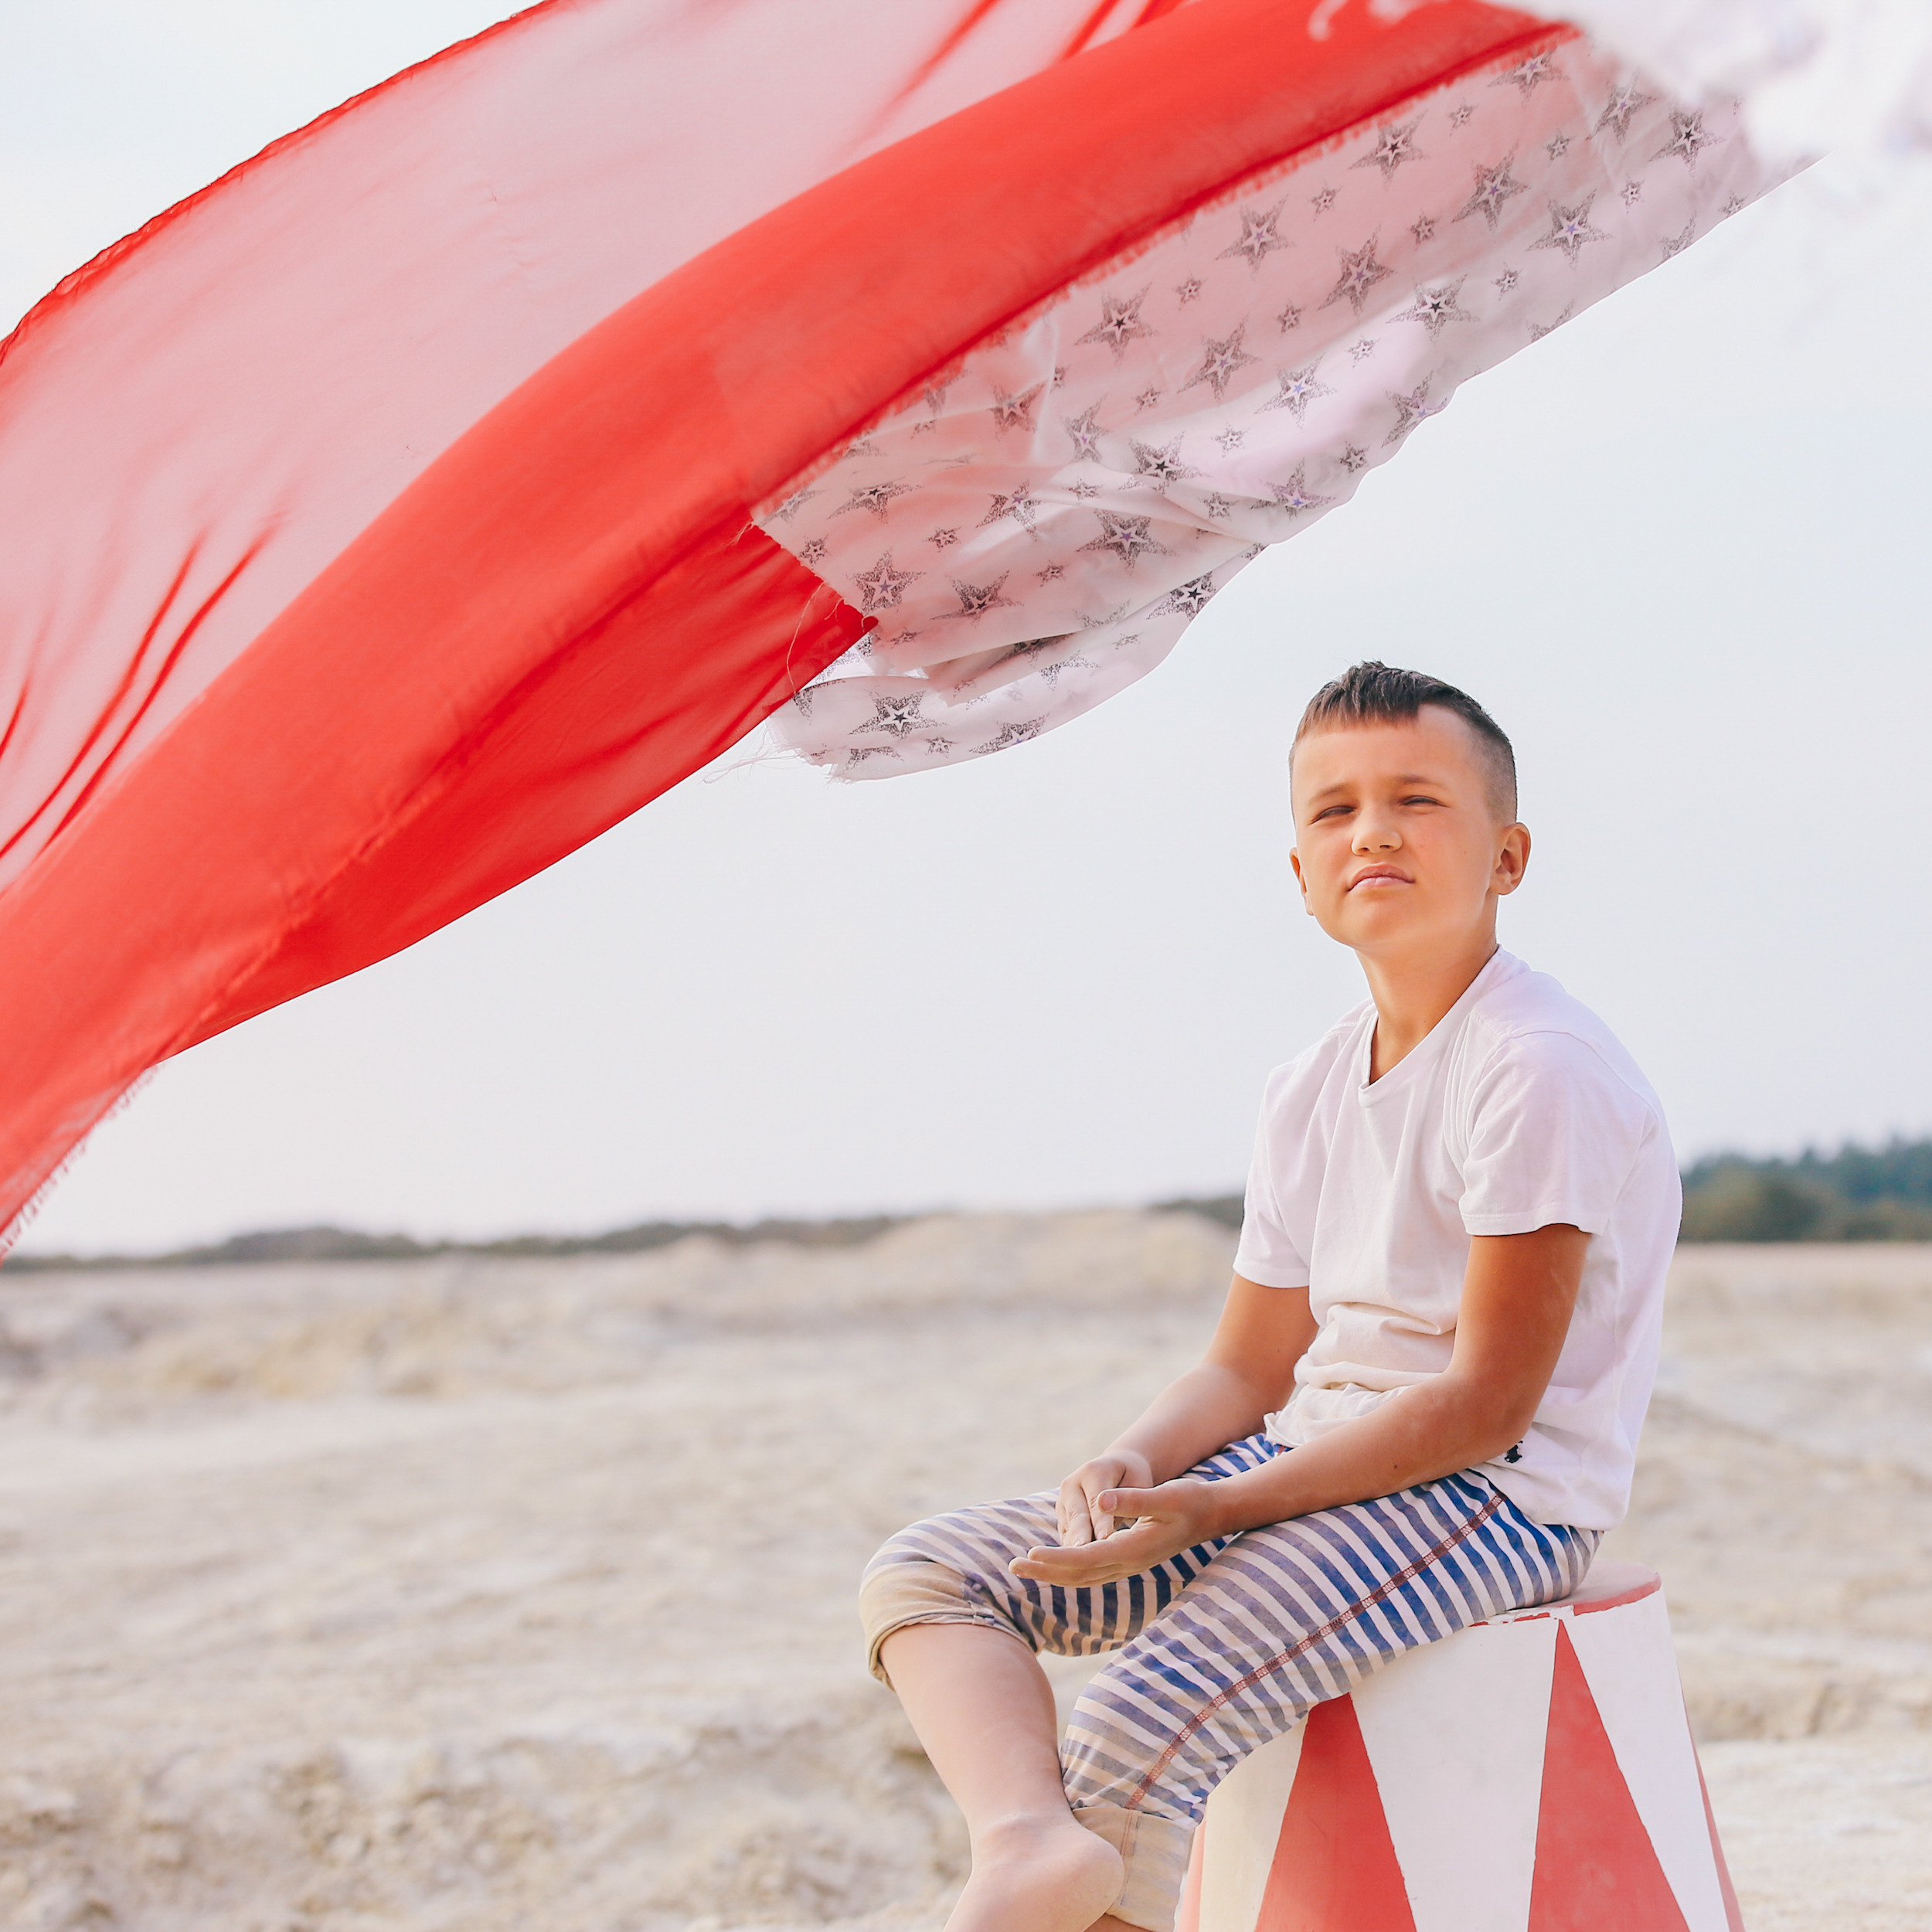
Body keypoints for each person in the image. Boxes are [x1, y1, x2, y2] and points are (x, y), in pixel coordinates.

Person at [859, 662, 1682, 1932]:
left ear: (1509, 855)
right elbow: (1248, 1367)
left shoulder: (1539, 1065)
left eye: (1418, 799)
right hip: (1304, 1459)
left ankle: (1074, 1862)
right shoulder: (1305, 1087)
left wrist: (1224, 1507)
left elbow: (1484, 1407)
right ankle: (1028, 1846)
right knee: (932, 1576)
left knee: (1142, 1718)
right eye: (1334, 810)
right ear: (1299, 873)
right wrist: (1133, 1462)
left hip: (1498, 1497)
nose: (1375, 832)